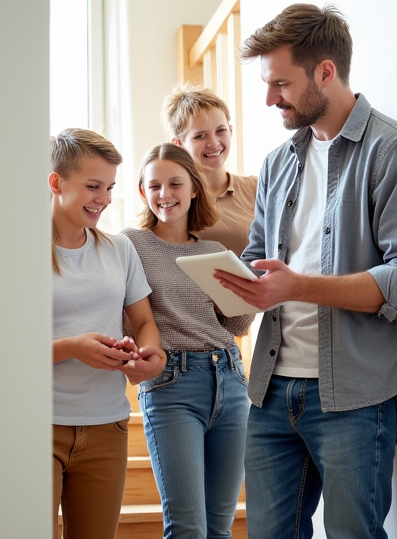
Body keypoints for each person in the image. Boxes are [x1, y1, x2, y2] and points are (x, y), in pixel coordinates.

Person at [214, 4, 397, 538]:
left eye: (281, 84)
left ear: (325, 72)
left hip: (355, 396)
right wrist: (227, 286)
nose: (270, 99)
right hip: (271, 391)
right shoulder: (277, 162)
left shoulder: (391, 149)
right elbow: (256, 256)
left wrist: (297, 286)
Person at [121, 143, 254, 539]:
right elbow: (126, 314)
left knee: (219, 529)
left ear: (194, 188)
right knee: (187, 530)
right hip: (171, 385)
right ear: (143, 192)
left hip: (230, 378)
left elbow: (237, 324)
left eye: (175, 184)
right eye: (154, 185)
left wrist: (246, 288)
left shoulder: (214, 251)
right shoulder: (131, 244)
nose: (165, 194)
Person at [50, 128, 167, 539]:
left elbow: (145, 324)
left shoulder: (119, 250)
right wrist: (71, 347)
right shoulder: (16, 252)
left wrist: (150, 356)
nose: (104, 198)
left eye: (110, 187)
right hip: (37, 422)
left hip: (107, 425)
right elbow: (0, 350)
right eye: (93, 186)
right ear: (56, 182)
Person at [162, 83, 258, 256]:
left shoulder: (256, 188)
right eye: (200, 136)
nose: (214, 143)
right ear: (178, 144)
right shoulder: (171, 197)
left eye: (220, 131)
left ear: (230, 131)